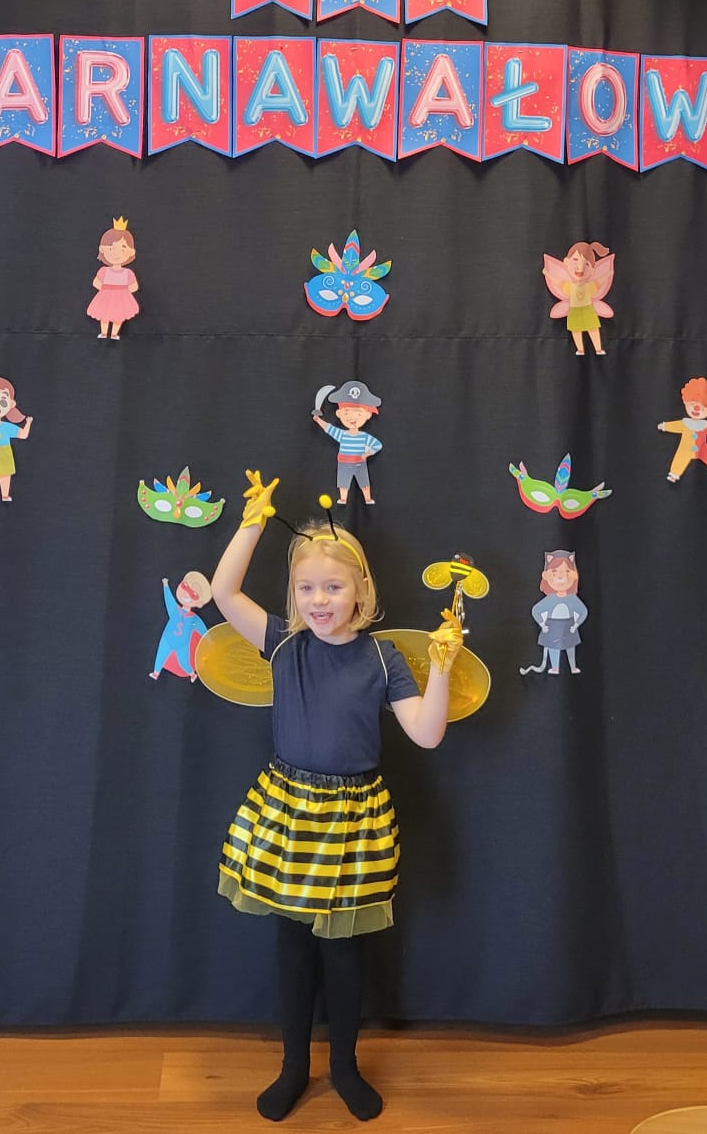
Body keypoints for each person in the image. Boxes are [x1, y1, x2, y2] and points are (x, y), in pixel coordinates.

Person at [211, 472, 463, 1122]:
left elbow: (427, 733)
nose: (319, 600)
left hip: (355, 820)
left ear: (361, 591)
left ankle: (344, 1066)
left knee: (345, 952)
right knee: (293, 947)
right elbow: (223, 591)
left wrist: (441, 667)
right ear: (292, 593)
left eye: (333, 586)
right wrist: (252, 523)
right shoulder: (283, 643)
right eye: (306, 587)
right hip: (290, 812)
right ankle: (294, 1067)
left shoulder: (383, 658)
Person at [520, 550, 588, 675]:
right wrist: (542, 624)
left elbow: (583, 611)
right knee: (553, 647)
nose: (560, 577)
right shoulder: (550, 599)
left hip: (568, 624)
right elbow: (536, 610)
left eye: (566, 572)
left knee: (570, 646)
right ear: (546, 576)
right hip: (552, 624)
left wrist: (576, 624)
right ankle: (555, 667)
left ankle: (573, 666)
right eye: (555, 572)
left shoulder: (572, 599)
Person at [87, 216, 139, 340]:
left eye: (123, 248)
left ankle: (114, 333)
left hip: (120, 296)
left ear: (130, 252)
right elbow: (96, 283)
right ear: (103, 249)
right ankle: (104, 332)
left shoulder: (127, 273)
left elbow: (134, 286)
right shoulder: (104, 271)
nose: (116, 253)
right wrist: (106, 290)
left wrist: (123, 293)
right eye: (111, 248)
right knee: (104, 315)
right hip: (107, 295)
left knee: (118, 316)